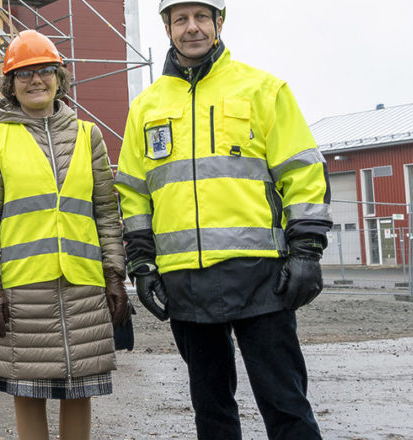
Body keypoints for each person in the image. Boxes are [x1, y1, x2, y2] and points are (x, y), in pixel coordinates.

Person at [113, 1, 330, 438]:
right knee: (210, 410)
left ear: (219, 23)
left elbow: (302, 172)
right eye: (180, 20)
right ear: (167, 28)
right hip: (185, 282)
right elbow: (134, 194)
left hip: (261, 276)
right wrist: (143, 264)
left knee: (285, 403)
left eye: (200, 18)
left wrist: (306, 250)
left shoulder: (264, 90)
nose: (191, 28)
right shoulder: (146, 108)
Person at [0, 29, 131, 440]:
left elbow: (106, 213)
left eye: (44, 70)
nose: (35, 80)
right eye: (24, 73)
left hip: (83, 284)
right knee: (28, 390)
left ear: (59, 78)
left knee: (80, 389)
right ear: (10, 84)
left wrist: (115, 274)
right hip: (22, 290)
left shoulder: (88, 136)